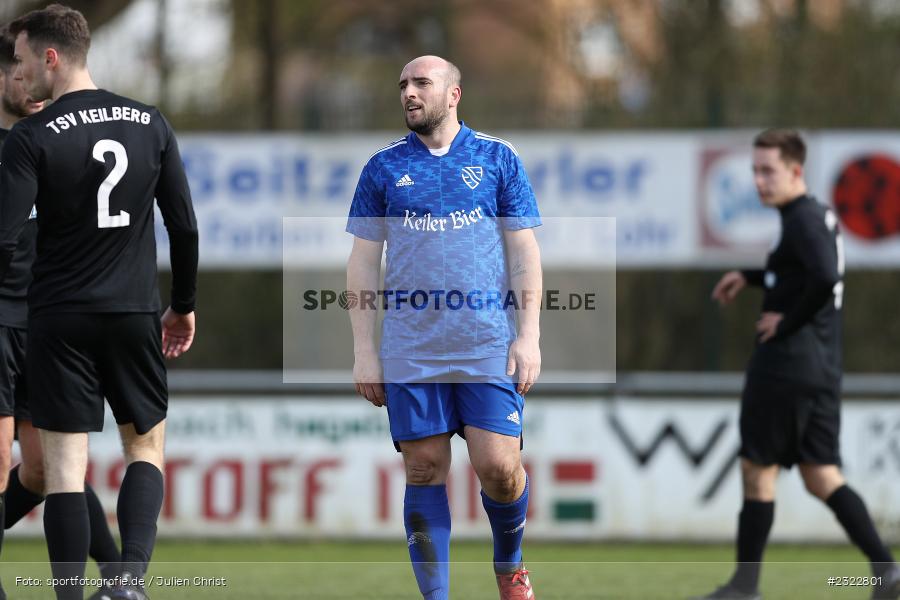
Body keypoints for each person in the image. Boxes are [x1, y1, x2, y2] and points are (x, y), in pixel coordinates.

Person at [0, 5, 198, 599]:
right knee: (145, 447)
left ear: (50, 57)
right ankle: (129, 582)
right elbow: (184, 226)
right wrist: (183, 303)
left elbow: (5, 236)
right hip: (134, 311)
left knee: (63, 470)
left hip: (57, 319)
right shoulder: (150, 122)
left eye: (22, 57)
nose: (18, 70)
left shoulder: (31, 136)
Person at [346, 55, 542, 600]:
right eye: (403, 84)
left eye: (421, 83)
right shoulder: (382, 167)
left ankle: (511, 566)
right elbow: (363, 262)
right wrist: (365, 350)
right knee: (425, 469)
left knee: (500, 468)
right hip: (412, 346)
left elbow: (523, 252)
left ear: (453, 94)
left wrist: (529, 335)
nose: (408, 92)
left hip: (486, 343)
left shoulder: (497, 158)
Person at [697, 129, 900, 600]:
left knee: (757, 468)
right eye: (754, 170)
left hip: (786, 367)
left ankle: (744, 587)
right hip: (822, 367)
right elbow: (798, 273)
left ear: (796, 171)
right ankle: (887, 572)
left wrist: (785, 324)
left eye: (768, 170)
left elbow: (825, 277)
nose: (758, 180)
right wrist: (750, 277)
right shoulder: (816, 216)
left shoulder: (803, 219)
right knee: (821, 474)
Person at [0, 22, 122, 600]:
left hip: (48, 321)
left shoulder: (58, 142)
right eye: (14, 69)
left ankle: (120, 576)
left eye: (27, 65)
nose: (26, 79)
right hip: (1, 323)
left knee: (49, 470)